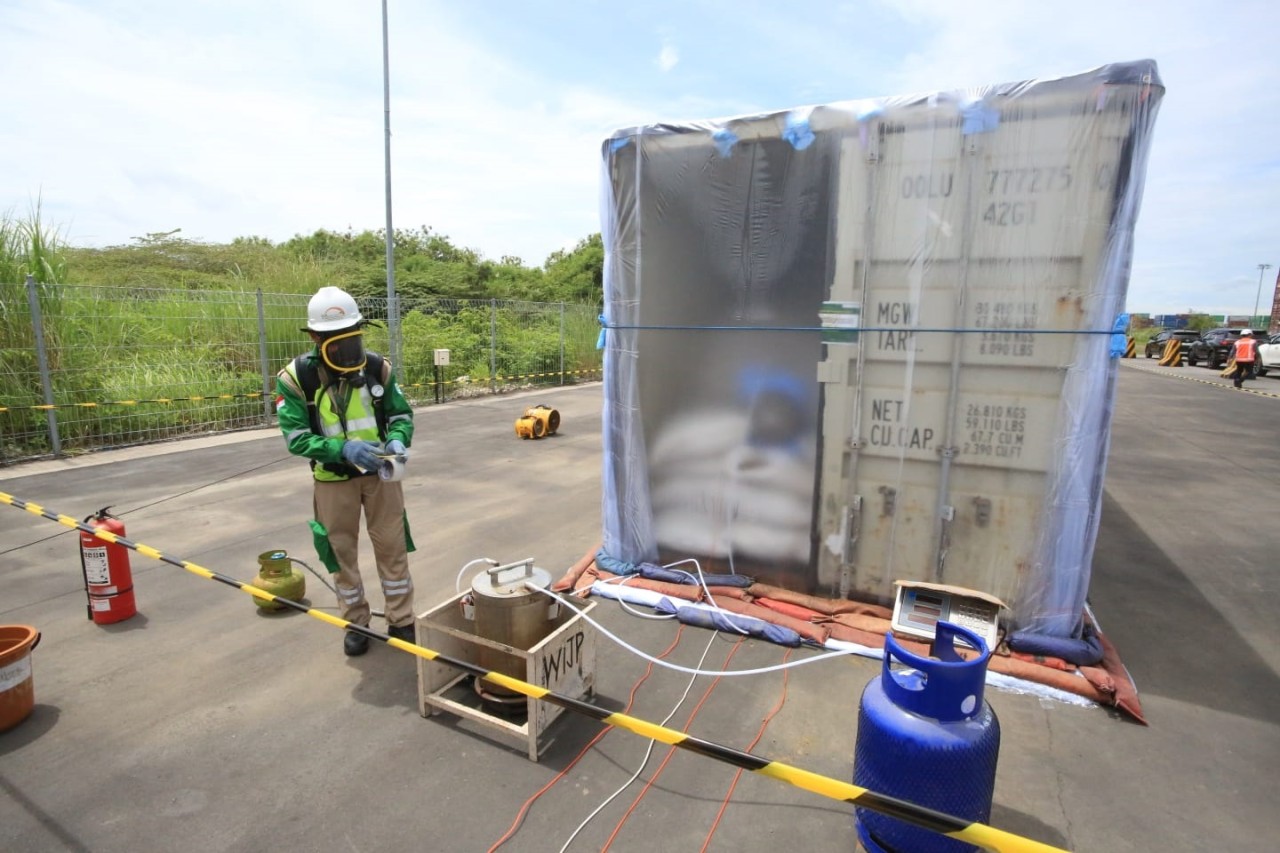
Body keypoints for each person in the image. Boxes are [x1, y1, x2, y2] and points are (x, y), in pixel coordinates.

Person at [275, 286, 417, 656]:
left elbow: (400, 414)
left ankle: (402, 621)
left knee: (392, 548)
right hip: (333, 480)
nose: (345, 347)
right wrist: (341, 449)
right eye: (335, 340)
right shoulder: (296, 379)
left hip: (381, 477)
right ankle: (356, 623)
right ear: (315, 338)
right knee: (340, 553)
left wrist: (399, 440)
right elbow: (296, 438)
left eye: (351, 337)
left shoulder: (376, 367)